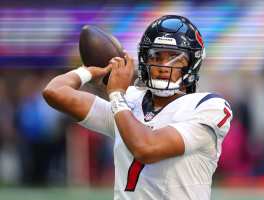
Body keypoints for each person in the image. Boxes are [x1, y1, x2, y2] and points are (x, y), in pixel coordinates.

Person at [43, 15, 233, 200]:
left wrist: (117, 94)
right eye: (156, 56)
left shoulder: (208, 106)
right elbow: (55, 92)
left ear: (192, 63)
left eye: (175, 58)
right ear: (144, 60)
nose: (164, 66)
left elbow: (146, 148)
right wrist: (87, 71)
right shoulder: (129, 103)